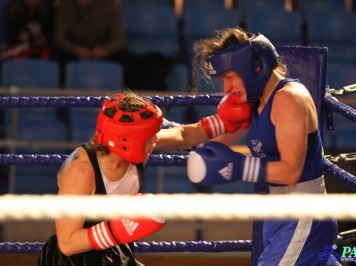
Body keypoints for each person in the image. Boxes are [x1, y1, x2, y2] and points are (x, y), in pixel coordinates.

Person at [156, 27, 338, 265]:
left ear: (255, 66)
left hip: (304, 214)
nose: (226, 89)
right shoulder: (251, 102)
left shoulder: (288, 99)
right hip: (279, 212)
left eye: (230, 77)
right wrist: (148, 138)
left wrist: (239, 166)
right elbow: (197, 136)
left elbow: (291, 171)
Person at [38, 91, 166, 266]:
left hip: (114, 252)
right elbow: (67, 243)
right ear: (128, 140)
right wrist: (118, 228)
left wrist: (213, 126)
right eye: (149, 136)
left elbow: (184, 135)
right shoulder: (81, 171)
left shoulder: (137, 148)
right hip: (74, 260)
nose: (156, 141)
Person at [51, 0, 176, 90]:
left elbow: (119, 39)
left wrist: (104, 50)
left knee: (135, 66)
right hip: (74, 54)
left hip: (105, 53)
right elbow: (59, 38)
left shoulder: (108, 5)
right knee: (53, 62)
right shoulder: (65, 5)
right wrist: (75, 49)